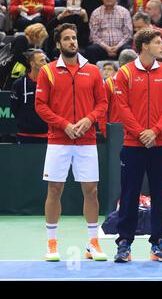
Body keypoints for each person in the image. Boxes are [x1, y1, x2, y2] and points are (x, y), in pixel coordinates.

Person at [35, 23, 108, 262]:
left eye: (74, 38)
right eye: (66, 39)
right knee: (54, 190)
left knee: (92, 191)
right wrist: (65, 125)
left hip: (86, 140)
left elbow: (103, 104)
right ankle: (52, 243)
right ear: (58, 44)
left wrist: (88, 121)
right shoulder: (47, 72)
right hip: (58, 140)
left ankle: (93, 243)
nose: (72, 42)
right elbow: (41, 106)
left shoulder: (93, 71)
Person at [113, 29, 162, 263]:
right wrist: (142, 133)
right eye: (158, 43)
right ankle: (124, 244)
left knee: (160, 194)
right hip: (133, 145)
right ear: (144, 46)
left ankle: (159, 244)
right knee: (129, 194)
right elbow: (122, 108)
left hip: (159, 144)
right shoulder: (125, 74)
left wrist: (155, 131)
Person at [86, 0, 132, 64]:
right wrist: (107, 48)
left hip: (120, 47)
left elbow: (128, 34)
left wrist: (117, 47)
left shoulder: (124, 12)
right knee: (91, 50)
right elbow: (93, 35)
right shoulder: (96, 13)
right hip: (102, 48)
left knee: (127, 50)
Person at [10, 49, 48, 144]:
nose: (46, 63)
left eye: (46, 60)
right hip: (25, 136)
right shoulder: (19, 84)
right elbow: (15, 108)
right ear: (32, 64)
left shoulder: (51, 83)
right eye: (42, 60)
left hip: (47, 135)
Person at [98, 49, 137, 137]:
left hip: (136, 132)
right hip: (116, 131)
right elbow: (102, 110)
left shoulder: (139, 82)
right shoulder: (110, 83)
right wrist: (106, 132)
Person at [3, 23, 48, 91]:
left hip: (14, 71)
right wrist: (32, 64)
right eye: (41, 38)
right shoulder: (22, 39)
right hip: (7, 71)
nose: (41, 41)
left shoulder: (29, 44)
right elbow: (18, 57)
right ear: (37, 35)